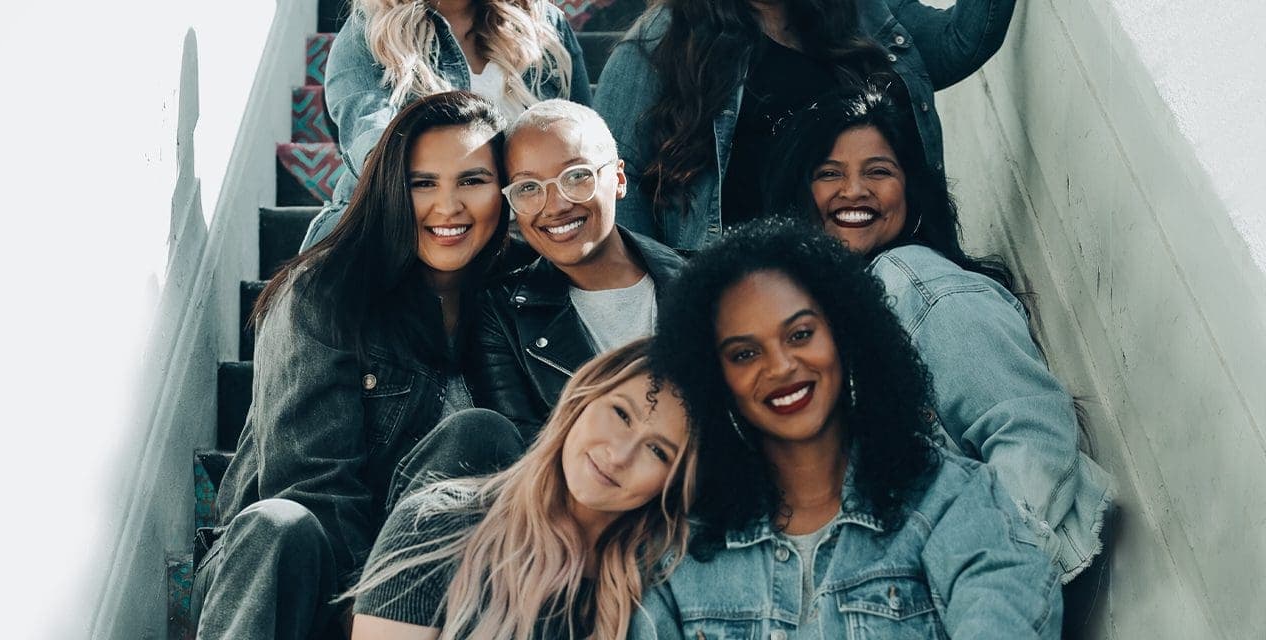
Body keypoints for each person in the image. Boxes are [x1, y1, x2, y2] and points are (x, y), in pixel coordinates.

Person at [763, 86, 1115, 613]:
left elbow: (1031, 433)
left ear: (910, 190)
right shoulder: (821, 318)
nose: (853, 190)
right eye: (829, 173)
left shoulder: (917, 283)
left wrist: (969, 586)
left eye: (878, 171)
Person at [633, 221, 1062, 638]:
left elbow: (1004, 615)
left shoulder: (949, 500)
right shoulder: (678, 552)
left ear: (845, 333)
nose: (781, 366)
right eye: (744, 354)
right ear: (715, 378)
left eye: (800, 334)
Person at [191, 91, 512, 639]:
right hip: (299, 579)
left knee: (481, 435)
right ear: (391, 189)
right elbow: (311, 488)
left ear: (504, 192)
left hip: (431, 587)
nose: (449, 207)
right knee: (279, 525)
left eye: (473, 180)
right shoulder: (323, 294)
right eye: (423, 183)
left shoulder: (515, 302)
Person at [593, 0, 1018, 251]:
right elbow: (615, 183)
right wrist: (661, 302)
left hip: (880, 275)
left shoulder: (858, 10)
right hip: (756, 303)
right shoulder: (659, 44)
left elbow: (958, 44)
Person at [348, 339, 700, 639]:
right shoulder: (435, 524)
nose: (620, 455)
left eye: (658, 451)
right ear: (584, 396)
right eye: (621, 414)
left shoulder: (660, 597)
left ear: (672, 483)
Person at [466, 99, 684, 439]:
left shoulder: (704, 281)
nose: (556, 206)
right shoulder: (501, 315)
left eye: (577, 176)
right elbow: (527, 457)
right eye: (528, 188)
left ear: (619, 178)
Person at [300, 0, 592, 250]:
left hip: (530, 238)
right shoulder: (371, 32)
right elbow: (376, 151)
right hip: (413, 236)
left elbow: (585, 140)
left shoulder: (544, 23)